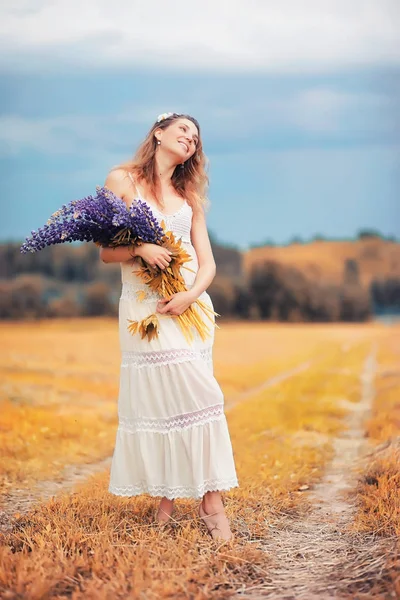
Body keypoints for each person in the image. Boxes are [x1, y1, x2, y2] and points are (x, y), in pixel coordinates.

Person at [99, 112, 238, 541]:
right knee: (172, 401)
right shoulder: (122, 180)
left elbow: (208, 263)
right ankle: (197, 504)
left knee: (197, 397)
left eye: (195, 137)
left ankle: (178, 504)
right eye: (183, 130)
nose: (190, 138)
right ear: (158, 133)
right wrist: (141, 247)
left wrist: (191, 295)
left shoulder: (189, 194)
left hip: (189, 310)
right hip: (145, 313)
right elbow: (107, 252)